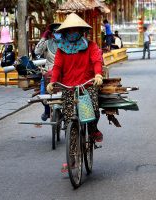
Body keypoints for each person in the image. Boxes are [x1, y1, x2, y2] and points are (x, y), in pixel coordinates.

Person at [47, 13, 103, 142]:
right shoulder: (61, 49)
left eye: (75, 30)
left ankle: (93, 130)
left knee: (93, 111)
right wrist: (52, 82)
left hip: (87, 86)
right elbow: (57, 67)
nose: (72, 32)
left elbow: (96, 61)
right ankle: (72, 157)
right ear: (65, 32)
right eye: (70, 30)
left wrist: (98, 74)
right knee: (68, 120)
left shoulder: (90, 45)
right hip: (68, 87)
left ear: (81, 31)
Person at [35, 22, 61, 121]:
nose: (58, 33)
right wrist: (43, 38)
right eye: (56, 32)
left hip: (63, 74)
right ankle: (47, 111)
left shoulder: (66, 43)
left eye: (60, 31)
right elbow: (37, 51)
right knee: (44, 93)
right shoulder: (47, 43)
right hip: (48, 74)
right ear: (52, 33)